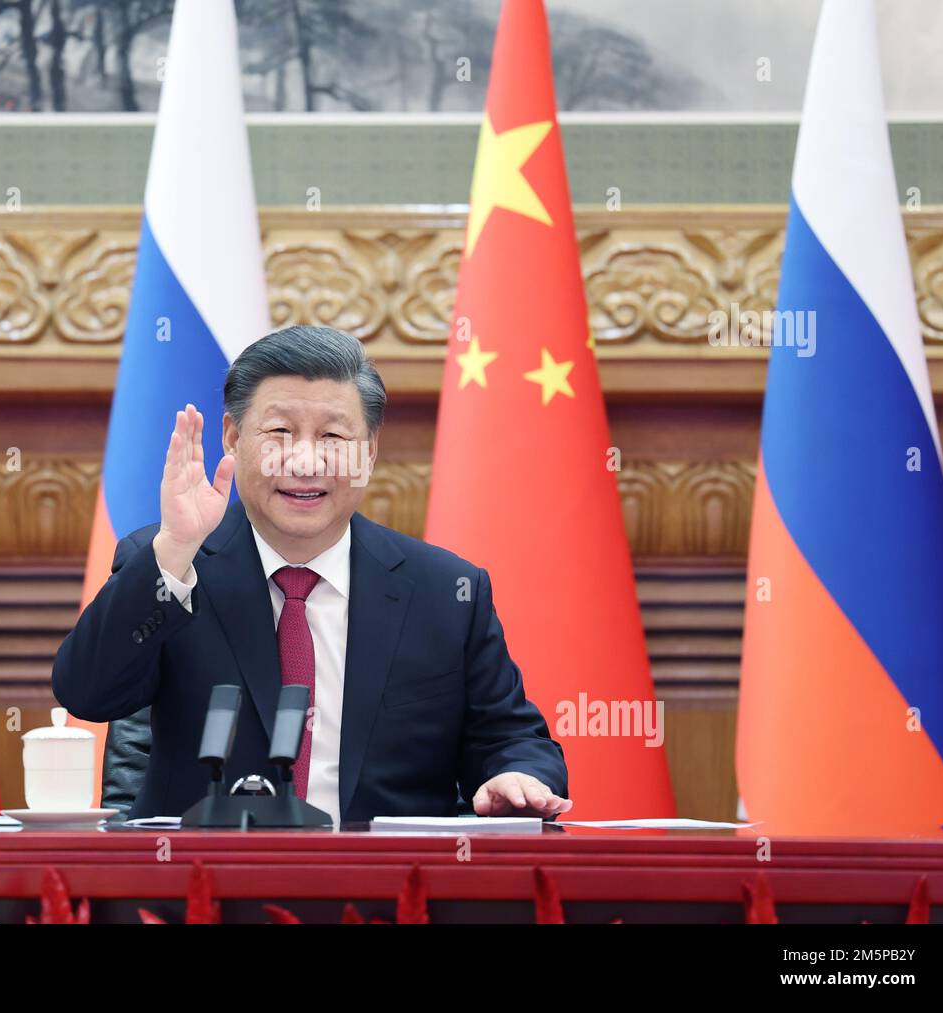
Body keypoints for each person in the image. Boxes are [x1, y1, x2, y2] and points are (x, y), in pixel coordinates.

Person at [52, 324, 570, 823]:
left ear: (369, 452)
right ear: (233, 436)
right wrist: (176, 548)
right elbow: (88, 693)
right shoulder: (173, 561)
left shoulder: (446, 591)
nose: (305, 461)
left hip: (385, 894)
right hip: (204, 890)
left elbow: (511, 738)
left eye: (333, 436)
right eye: (279, 432)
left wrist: (516, 776)